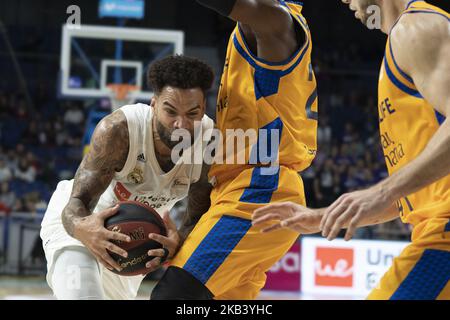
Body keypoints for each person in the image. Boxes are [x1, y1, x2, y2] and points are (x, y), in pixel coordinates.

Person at [252, 0, 450, 300]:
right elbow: (418, 193)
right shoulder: (403, 41)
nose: (344, 1)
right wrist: (323, 217)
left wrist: (383, 191)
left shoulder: (416, 28)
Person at [151, 0, 318, 299]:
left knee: (173, 297)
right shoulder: (250, 33)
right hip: (240, 187)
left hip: (261, 187)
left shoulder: (279, 21)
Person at [40, 55, 216, 299]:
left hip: (133, 243)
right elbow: (76, 203)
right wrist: (83, 227)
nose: (180, 124)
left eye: (192, 113)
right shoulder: (119, 129)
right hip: (81, 225)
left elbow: (196, 219)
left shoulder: (210, 143)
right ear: (154, 104)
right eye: (170, 111)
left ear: (204, 108)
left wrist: (179, 242)